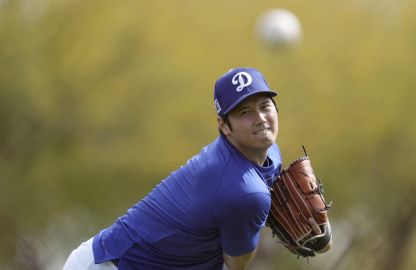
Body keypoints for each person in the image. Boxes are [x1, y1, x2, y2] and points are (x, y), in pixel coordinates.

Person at [63, 67, 282, 270]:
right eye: (244, 112)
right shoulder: (245, 192)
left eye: (264, 106)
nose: (260, 119)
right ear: (224, 125)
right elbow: (235, 264)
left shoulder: (270, 155)